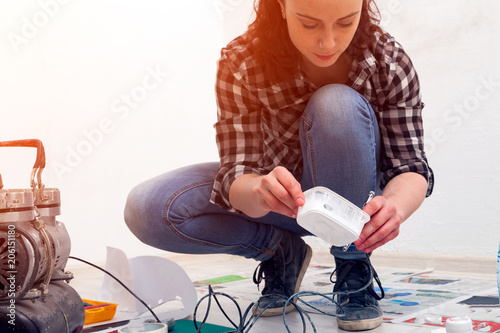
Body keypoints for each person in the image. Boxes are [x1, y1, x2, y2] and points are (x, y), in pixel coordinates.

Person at [124, 0, 434, 330]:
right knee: (148, 209)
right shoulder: (241, 61)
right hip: (279, 202)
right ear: (282, 6)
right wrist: (258, 190)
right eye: (310, 24)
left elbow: (410, 166)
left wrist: (396, 207)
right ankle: (280, 252)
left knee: (336, 104)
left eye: (345, 23)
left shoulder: (388, 61)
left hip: (351, 207)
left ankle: (352, 263)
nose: (328, 43)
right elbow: (237, 170)